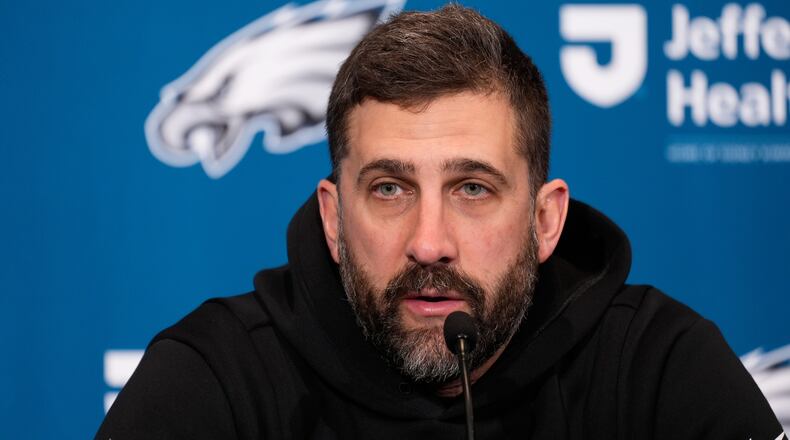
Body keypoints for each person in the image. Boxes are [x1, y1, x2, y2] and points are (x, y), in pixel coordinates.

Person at [97, 5, 784, 439]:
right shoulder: (215, 379)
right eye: (390, 187)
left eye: (473, 188)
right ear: (334, 219)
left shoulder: (660, 369)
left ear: (546, 222)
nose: (430, 242)